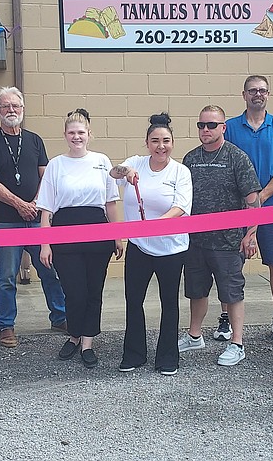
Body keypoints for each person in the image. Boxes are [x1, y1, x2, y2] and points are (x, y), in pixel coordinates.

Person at [0, 87, 66, 348]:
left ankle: (60, 316)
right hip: (5, 221)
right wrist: (19, 204)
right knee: (6, 276)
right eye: (5, 106)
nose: (11, 110)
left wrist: (35, 204)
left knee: (50, 270)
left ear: (23, 110)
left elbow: (46, 176)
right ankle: (6, 326)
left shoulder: (35, 140)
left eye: (15, 106)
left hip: (38, 219)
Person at [37, 109, 124, 369]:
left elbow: (110, 203)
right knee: (74, 291)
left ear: (89, 135)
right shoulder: (56, 164)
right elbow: (46, 208)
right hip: (65, 233)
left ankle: (87, 341)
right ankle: (73, 335)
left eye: (81, 132)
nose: (77, 137)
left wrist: (117, 236)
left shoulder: (101, 161)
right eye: (72, 132)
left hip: (98, 232)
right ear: (65, 135)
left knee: (93, 290)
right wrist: (45, 243)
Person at [178, 105, 261, 367]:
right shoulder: (190, 159)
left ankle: (237, 343)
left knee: (231, 292)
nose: (205, 130)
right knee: (196, 291)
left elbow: (253, 201)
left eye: (211, 125)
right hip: (196, 241)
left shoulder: (237, 158)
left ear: (223, 127)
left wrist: (251, 234)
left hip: (227, 242)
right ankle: (194, 336)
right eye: (201, 125)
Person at [110, 113, 193, 376]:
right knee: (133, 300)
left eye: (166, 141)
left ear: (173, 143)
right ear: (147, 143)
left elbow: (180, 207)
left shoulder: (181, 171)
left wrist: (154, 224)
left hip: (171, 248)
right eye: (155, 141)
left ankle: (168, 357)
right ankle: (134, 354)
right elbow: (113, 172)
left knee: (169, 302)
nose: (161, 146)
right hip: (139, 247)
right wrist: (127, 171)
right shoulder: (136, 163)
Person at [224, 75, 273, 343]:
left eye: (263, 90)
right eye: (253, 90)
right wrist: (247, 203)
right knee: (229, 266)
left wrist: (260, 199)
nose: (258, 94)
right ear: (244, 95)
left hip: (272, 208)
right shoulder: (229, 128)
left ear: (268, 95)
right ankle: (225, 319)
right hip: (237, 210)